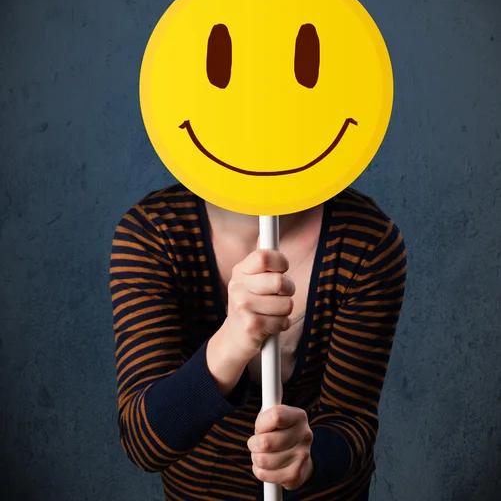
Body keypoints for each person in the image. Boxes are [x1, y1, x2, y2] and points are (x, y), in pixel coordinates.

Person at [109, 181, 407, 500]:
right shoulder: (153, 232)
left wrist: (309, 458)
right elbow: (144, 443)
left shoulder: (367, 240)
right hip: (201, 490)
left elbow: (353, 421)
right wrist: (233, 341)